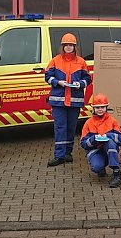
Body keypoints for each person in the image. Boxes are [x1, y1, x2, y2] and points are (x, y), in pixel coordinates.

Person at [45, 32, 91, 167]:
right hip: (58, 100)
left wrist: (80, 84)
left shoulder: (81, 62)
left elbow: (88, 78)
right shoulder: (55, 60)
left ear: (75, 47)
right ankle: (59, 155)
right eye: (66, 45)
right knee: (60, 127)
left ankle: (67, 154)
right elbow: (47, 76)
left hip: (75, 100)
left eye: (71, 45)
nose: (69, 48)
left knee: (71, 128)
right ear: (62, 47)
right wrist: (58, 82)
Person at [79, 93, 121, 188]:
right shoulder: (88, 123)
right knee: (96, 167)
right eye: (97, 107)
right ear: (93, 109)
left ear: (106, 107)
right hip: (95, 150)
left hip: (109, 149)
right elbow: (83, 143)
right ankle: (101, 167)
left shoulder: (112, 121)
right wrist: (93, 139)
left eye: (102, 107)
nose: (100, 110)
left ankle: (117, 173)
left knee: (110, 142)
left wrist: (108, 135)